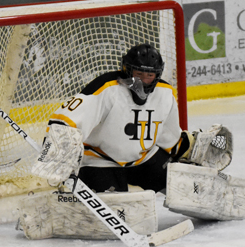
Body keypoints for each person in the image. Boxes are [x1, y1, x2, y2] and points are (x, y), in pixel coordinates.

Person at [31, 43, 194, 193]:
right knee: (118, 207)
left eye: (149, 76)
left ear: (157, 75)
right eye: (138, 74)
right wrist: (57, 153)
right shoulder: (106, 88)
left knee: (182, 188)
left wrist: (187, 147)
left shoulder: (165, 93)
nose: (143, 81)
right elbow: (66, 120)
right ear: (127, 70)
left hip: (144, 159)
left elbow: (168, 135)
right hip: (101, 161)